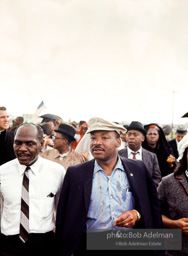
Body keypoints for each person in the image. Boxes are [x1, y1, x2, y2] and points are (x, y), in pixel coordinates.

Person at [56, 117, 164, 256]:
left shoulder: (138, 169)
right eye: (93, 138)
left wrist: (136, 214)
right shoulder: (76, 173)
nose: (97, 142)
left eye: (105, 137)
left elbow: (151, 207)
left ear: (118, 142)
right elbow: (65, 215)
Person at [0, 123, 66, 256]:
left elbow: (62, 211)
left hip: (44, 245)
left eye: (30, 144)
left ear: (42, 144)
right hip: (7, 245)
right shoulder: (2, 171)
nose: (22, 149)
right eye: (18, 143)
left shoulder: (56, 172)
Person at [157, 133, 188, 256]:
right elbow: (155, 213)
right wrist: (174, 224)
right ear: (184, 155)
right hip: (176, 249)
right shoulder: (168, 182)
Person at [118, 121, 161, 187]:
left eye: (135, 134)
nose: (131, 137)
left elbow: (157, 178)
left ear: (143, 138)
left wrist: (146, 189)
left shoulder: (151, 156)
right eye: (129, 134)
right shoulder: (118, 155)